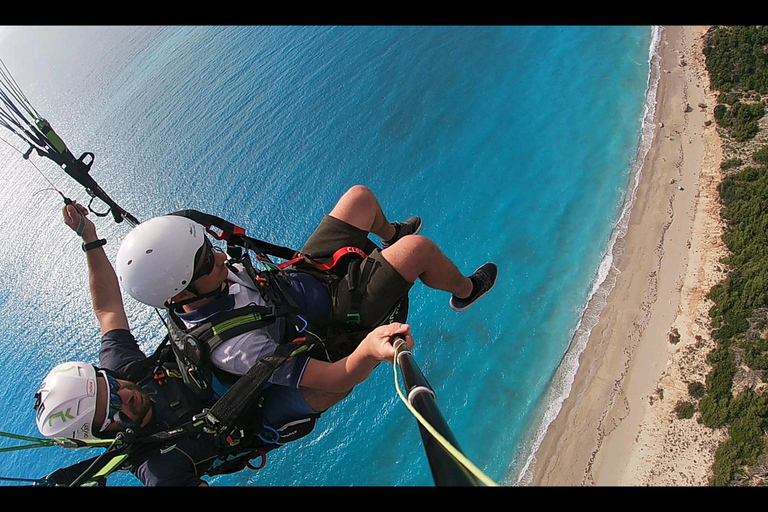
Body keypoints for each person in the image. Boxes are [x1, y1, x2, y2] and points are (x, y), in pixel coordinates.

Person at [33, 201, 415, 486]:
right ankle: (359, 340)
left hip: (227, 361)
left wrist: (90, 239)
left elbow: (108, 312)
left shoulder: (124, 372)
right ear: (104, 433)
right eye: (115, 405)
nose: (125, 392)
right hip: (257, 415)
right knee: (328, 380)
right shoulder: (161, 468)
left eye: (110, 384)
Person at [116, 185, 498, 414]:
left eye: (207, 248)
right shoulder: (237, 348)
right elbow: (331, 378)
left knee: (359, 198)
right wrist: (368, 351)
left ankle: (389, 236)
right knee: (418, 251)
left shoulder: (193, 281)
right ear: (181, 292)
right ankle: (466, 290)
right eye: (204, 261)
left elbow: (173, 256)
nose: (219, 256)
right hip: (338, 313)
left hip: (301, 279)